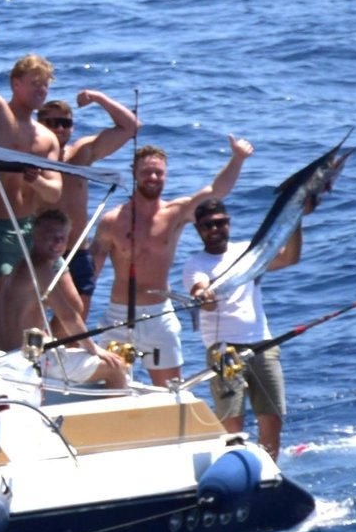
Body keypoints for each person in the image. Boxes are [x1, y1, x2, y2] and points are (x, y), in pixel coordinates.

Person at [90, 135, 252, 386]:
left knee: (170, 392)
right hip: (118, 317)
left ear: (166, 175)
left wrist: (238, 158)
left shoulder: (176, 213)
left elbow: (215, 192)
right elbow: (90, 275)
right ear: (134, 172)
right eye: (146, 172)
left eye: (158, 173)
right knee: (111, 393)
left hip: (160, 316)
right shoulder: (112, 221)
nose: (152, 178)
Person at [0, 19, 64, 349]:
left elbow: (55, 191)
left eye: (45, 86)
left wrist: (37, 182)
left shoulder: (47, 138)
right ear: (16, 83)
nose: (41, 91)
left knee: (35, 314)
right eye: (35, 83)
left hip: (31, 230)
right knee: (0, 317)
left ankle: (36, 380)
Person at [183, 197, 301, 458]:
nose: (214, 229)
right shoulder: (196, 264)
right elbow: (202, 292)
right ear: (198, 230)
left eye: (220, 223)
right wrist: (204, 297)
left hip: (263, 345)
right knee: (232, 424)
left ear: (229, 223)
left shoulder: (249, 252)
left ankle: (268, 472)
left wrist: (297, 218)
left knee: (272, 419)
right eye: (207, 225)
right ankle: (237, 468)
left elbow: (290, 258)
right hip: (224, 352)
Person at [0, 209, 128, 389]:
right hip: (26, 359)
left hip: (18, 352)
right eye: (51, 237)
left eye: (62, 238)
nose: (57, 243)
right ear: (36, 236)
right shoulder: (41, 268)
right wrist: (94, 349)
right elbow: (69, 316)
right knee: (116, 368)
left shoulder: (27, 265)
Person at [36, 89, 141, 320]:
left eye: (65, 123)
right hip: (40, 252)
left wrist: (98, 98)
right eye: (52, 122)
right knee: (33, 317)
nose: (60, 128)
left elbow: (131, 127)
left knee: (77, 315)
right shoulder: (32, 156)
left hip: (77, 250)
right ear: (40, 124)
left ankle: (58, 351)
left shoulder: (81, 153)